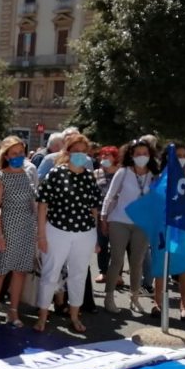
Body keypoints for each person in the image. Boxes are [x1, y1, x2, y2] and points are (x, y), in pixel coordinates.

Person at [34, 134, 101, 333]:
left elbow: (94, 208)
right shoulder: (55, 173)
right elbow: (42, 205)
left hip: (85, 232)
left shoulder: (89, 176)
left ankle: (74, 316)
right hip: (57, 230)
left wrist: (95, 235)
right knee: (50, 274)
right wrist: (41, 235)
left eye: (83, 151)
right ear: (67, 152)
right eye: (76, 150)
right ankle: (42, 317)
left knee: (78, 275)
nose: (79, 154)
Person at [0, 136, 37, 327]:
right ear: (6, 156)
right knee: (0, 271)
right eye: (14, 153)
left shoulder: (26, 174)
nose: (18, 156)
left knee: (20, 271)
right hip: (8, 228)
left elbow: (33, 203)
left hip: (26, 229)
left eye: (21, 153)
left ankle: (13, 311)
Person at [101, 141, 157, 315]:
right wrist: (103, 217)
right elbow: (110, 196)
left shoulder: (154, 175)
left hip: (142, 224)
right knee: (117, 260)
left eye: (145, 153)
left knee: (137, 262)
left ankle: (134, 298)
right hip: (119, 221)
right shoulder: (123, 172)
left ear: (150, 155)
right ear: (131, 155)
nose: (142, 157)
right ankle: (109, 297)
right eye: (138, 153)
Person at [152, 143, 185, 319]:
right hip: (164, 227)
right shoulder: (160, 178)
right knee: (161, 266)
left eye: (183, 155)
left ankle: (184, 306)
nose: (180, 158)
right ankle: (157, 304)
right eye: (177, 155)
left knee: (184, 267)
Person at [93, 145, 120, 283]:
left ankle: (118, 274)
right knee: (102, 244)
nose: (103, 159)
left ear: (115, 158)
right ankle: (103, 272)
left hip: (117, 215)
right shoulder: (96, 173)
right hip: (99, 214)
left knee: (117, 246)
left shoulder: (120, 173)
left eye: (107, 156)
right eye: (102, 156)